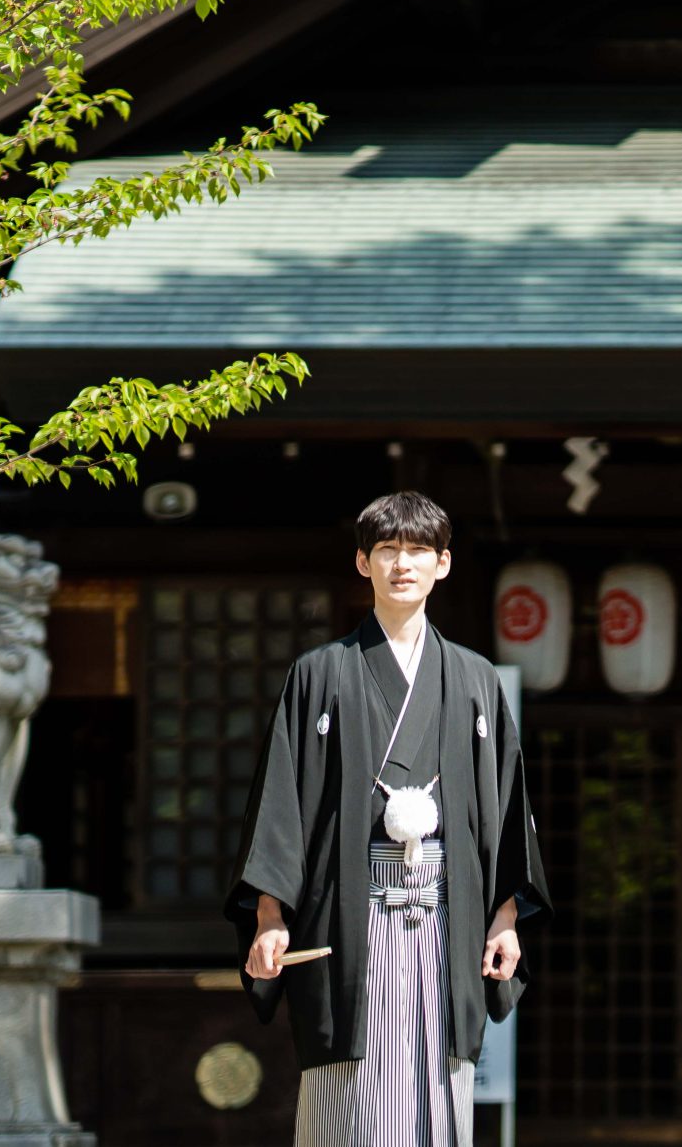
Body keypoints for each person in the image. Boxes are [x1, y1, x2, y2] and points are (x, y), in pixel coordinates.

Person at [227, 491, 549, 1147]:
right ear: (362, 561)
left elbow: (505, 805)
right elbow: (282, 802)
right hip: (348, 911)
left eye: (418, 550)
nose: (403, 563)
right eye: (387, 550)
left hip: (447, 909)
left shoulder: (473, 679)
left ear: (443, 564)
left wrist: (506, 915)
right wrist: (269, 915)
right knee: (353, 1082)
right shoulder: (319, 674)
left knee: (437, 1074)